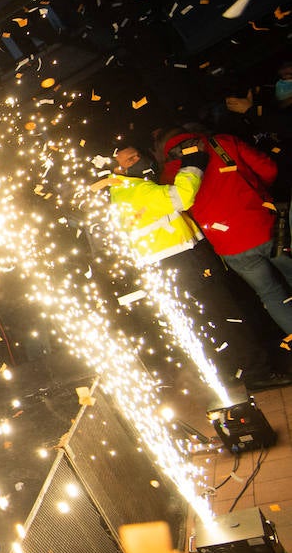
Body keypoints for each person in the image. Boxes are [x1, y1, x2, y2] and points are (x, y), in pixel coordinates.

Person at [99, 145, 292, 393]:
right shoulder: (134, 189)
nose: (139, 160)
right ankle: (258, 372)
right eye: (130, 159)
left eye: (138, 154)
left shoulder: (122, 191)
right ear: (117, 169)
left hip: (168, 264)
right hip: (181, 261)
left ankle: (230, 373)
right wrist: (193, 165)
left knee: (206, 320)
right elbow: (181, 197)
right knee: (225, 314)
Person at [155, 126, 292, 335]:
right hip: (265, 226)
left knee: (270, 294)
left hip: (230, 247)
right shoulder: (221, 144)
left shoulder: (168, 176)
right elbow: (269, 170)